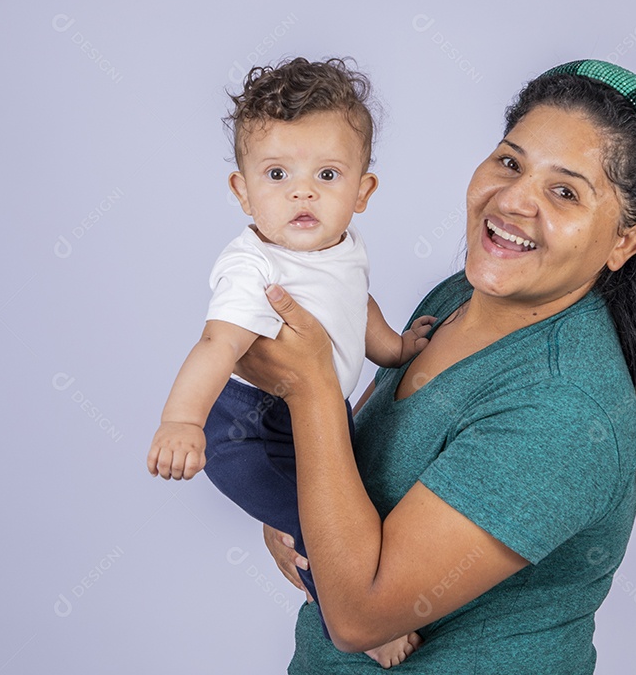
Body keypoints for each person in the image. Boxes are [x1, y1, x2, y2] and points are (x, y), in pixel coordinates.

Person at [236, 60, 636, 673]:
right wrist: (293, 509)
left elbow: (358, 617)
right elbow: (341, 470)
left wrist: (310, 390)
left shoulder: (564, 407)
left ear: (625, 242)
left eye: (564, 192)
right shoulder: (456, 297)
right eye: (510, 163)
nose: (513, 201)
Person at [145, 57, 434, 668]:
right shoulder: (252, 265)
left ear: (363, 191)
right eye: (277, 173)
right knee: (317, 523)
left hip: (305, 418)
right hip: (241, 429)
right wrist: (181, 421)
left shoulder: (341, 247)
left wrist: (397, 349)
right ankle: (356, 623)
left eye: (327, 174)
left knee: (343, 505)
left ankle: (342, 590)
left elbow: (356, 303)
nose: (302, 191)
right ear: (241, 190)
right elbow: (216, 346)